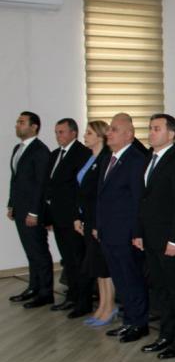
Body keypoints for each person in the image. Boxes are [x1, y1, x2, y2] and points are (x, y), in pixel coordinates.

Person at [133, 114, 175, 359]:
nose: (151, 132)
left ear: (171, 134)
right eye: (150, 128)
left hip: (169, 238)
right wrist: (138, 232)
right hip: (151, 236)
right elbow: (143, 199)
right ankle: (166, 334)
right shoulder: (150, 157)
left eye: (157, 128)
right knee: (160, 288)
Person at [96, 113, 150, 342]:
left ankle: (139, 324)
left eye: (114, 129)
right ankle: (128, 320)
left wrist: (137, 233)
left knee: (132, 279)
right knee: (120, 279)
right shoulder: (108, 158)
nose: (109, 133)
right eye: (109, 129)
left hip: (126, 234)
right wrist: (99, 226)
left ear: (129, 135)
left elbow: (139, 201)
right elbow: (102, 197)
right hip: (109, 232)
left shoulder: (136, 160)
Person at [8, 111, 54, 308]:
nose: (17, 125)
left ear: (34, 127)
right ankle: (34, 287)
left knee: (39, 251)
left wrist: (34, 212)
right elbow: (16, 179)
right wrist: (11, 204)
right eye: (17, 122)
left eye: (22, 122)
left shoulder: (40, 151)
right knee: (30, 251)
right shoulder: (18, 148)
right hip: (20, 208)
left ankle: (46, 293)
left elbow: (41, 185)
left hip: (33, 211)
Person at [45, 118, 91, 313]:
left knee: (78, 259)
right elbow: (49, 186)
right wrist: (48, 217)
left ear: (73, 133)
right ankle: (72, 296)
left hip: (73, 218)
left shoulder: (82, 153)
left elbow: (79, 189)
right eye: (56, 132)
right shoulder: (55, 154)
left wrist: (76, 216)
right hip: (57, 216)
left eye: (61, 132)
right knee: (68, 260)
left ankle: (83, 300)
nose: (58, 136)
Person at [75, 121, 116, 326]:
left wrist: (97, 223)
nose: (85, 136)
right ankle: (102, 305)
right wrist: (79, 217)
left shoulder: (104, 159)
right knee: (96, 265)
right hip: (88, 217)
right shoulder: (89, 158)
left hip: (98, 219)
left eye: (89, 133)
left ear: (100, 136)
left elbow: (101, 195)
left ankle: (109, 306)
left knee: (103, 266)